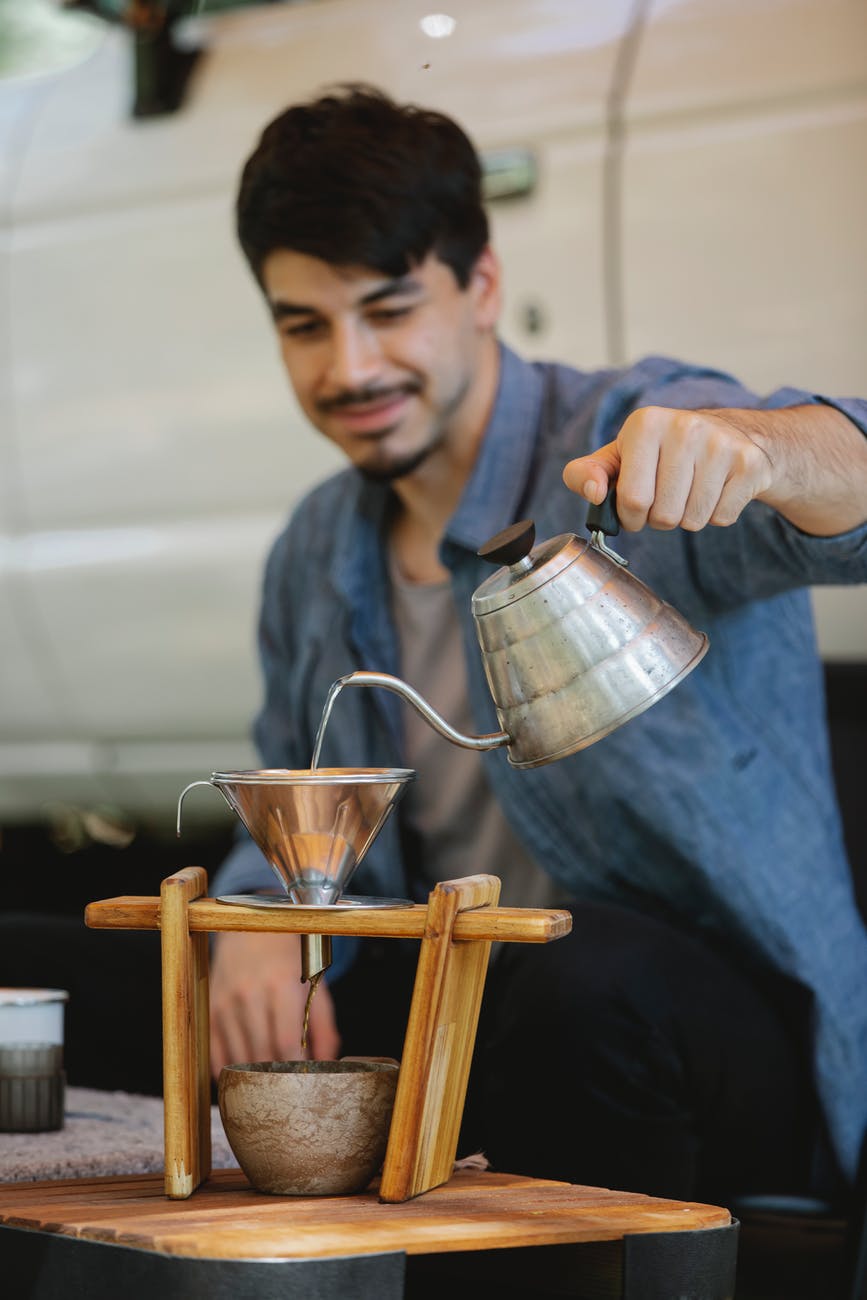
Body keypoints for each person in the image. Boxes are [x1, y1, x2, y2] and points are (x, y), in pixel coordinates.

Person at [209, 84, 867, 1203]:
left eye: (390, 307)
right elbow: (296, 791)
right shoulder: (315, 546)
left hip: (706, 1030)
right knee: (91, 962)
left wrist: (762, 450)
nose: (350, 369)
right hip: (467, 1017)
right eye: (304, 325)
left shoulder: (632, 438)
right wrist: (260, 919)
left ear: (483, 287)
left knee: (573, 977)